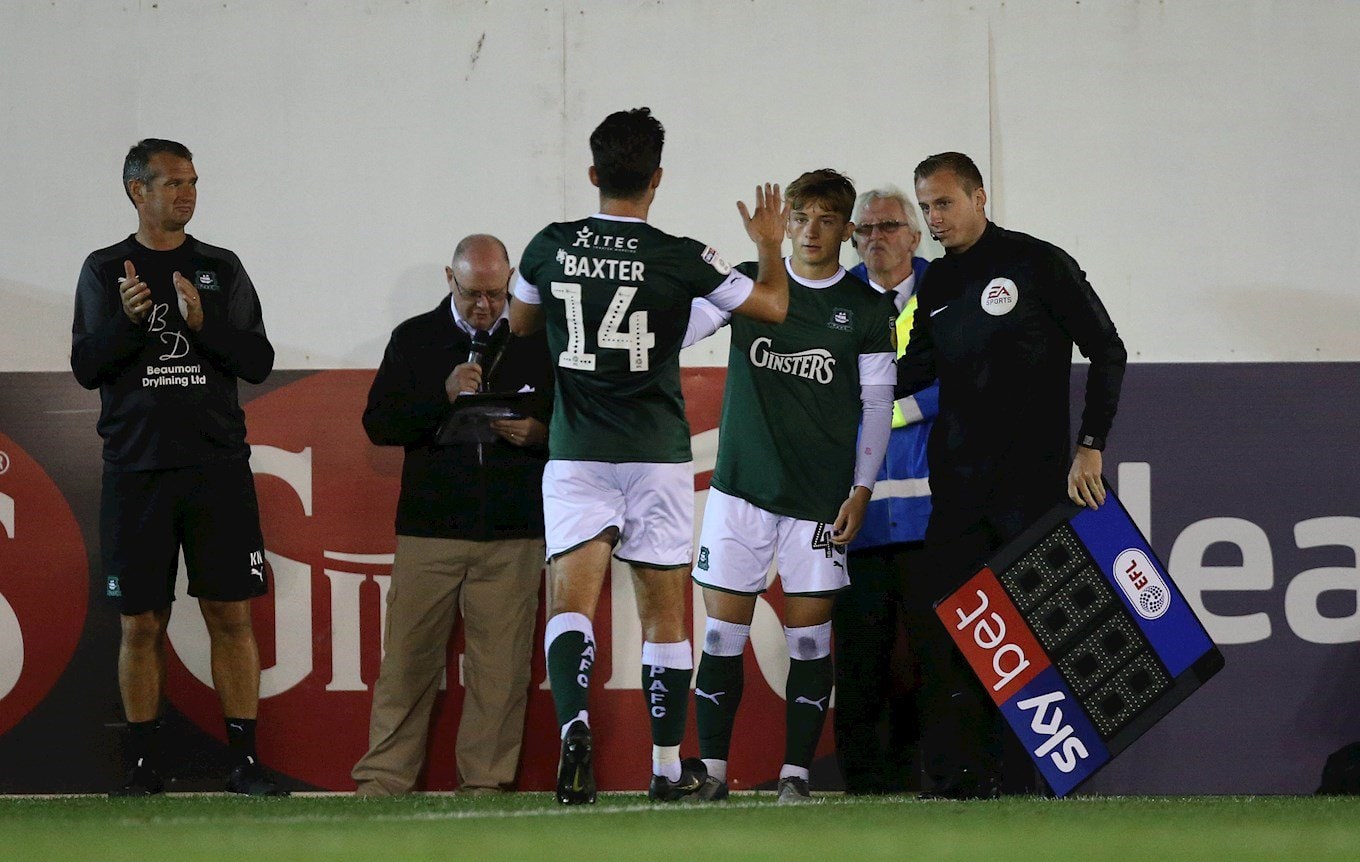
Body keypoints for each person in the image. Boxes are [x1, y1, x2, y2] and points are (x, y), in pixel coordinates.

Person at [509, 107, 790, 804]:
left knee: (569, 604)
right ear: (657, 178)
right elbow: (774, 307)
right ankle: (667, 768)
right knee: (665, 613)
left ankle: (574, 724)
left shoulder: (550, 243)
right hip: (657, 454)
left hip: (577, 451)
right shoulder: (679, 256)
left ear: (594, 174)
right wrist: (770, 245)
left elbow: (520, 322)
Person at [896, 151, 1127, 798]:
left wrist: (1091, 445)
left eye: (943, 203)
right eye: (925, 207)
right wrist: (848, 371)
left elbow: (1108, 349)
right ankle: (961, 776)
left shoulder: (1037, 262)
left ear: (979, 196)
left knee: (1037, 634)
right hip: (959, 491)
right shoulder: (936, 286)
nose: (934, 218)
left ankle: (1038, 778)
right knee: (960, 635)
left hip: (1032, 486)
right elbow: (912, 370)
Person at [70, 139, 285, 796]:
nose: (186, 194)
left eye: (192, 182)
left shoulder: (220, 267)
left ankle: (245, 762)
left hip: (215, 467)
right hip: (137, 471)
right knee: (141, 621)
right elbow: (87, 368)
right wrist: (132, 324)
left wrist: (204, 320)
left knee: (231, 615)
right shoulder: (106, 270)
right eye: (171, 183)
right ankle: (142, 766)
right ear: (137, 191)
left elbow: (256, 360)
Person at [684, 169, 896, 803]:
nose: (810, 230)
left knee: (809, 641)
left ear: (846, 230)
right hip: (739, 492)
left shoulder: (865, 308)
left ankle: (796, 777)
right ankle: (714, 777)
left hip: (818, 504)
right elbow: (683, 331)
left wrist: (861, 489)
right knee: (721, 638)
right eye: (800, 217)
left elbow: (879, 404)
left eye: (826, 219)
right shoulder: (748, 281)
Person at [351, 234, 552, 796]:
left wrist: (542, 433)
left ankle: (485, 785)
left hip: (514, 533)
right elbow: (379, 425)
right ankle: (382, 781)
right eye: (472, 294)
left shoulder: (542, 337)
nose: (485, 306)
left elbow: (577, 424)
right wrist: (441, 396)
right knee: (407, 665)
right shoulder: (414, 338)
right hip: (428, 532)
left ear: (511, 278)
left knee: (501, 673)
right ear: (449, 278)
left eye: (496, 292)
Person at [833, 185, 937, 795]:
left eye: (890, 226)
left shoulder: (945, 294)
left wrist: (889, 413)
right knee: (861, 661)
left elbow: (971, 380)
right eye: (866, 228)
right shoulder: (835, 300)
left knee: (930, 660)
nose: (877, 237)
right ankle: (863, 789)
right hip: (857, 517)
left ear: (915, 233)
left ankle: (923, 776)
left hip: (930, 516)